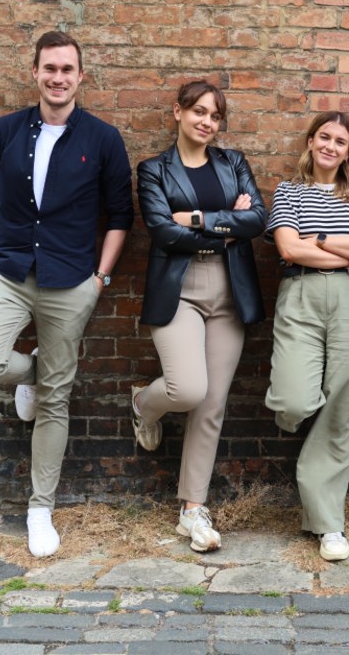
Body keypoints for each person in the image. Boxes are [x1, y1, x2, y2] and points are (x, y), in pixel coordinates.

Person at [0, 31, 134, 558]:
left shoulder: (103, 140)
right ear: (35, 72)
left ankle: (40, 509)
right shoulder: (6, 132)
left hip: (71, 282)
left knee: (55, 399)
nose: (58, 78)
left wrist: (99, 280)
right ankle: (35, 369)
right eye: (49, 68)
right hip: (9, 272)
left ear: (81, 76)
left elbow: (120, 217)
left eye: (67, 69)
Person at [134, 80, 267, 552]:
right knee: (187, 389)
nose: (207, 122)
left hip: (229, 291)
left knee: (211, 405)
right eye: (199, 112)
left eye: (215, 116)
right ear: (177, 112)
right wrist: (224, 224)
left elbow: (259, 221)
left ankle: (192, 509)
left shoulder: (233, 163)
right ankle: (142, 405)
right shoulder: (153, 170)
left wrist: (192, 218)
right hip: (179, 290)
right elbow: (161, 232)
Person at [265, 111, 349, 562]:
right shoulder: (289, 191)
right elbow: (287, 248)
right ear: (311, 141)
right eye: (324, 137)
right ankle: (292, 413)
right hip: (300, 295)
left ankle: (327, 522)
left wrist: (317, 240)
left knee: (342, 407)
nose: (331, 146)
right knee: (295, 400)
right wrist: (342, 247)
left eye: (341, 141)